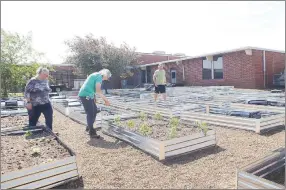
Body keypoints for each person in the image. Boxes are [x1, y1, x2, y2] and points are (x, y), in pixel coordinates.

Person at [78, 69, 111, 138]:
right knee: (91, 113)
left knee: (94, 110)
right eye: (107, 77)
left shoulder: (95, 74)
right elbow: (98, 91)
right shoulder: (99, 77)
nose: (107, 79)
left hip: (86, 95)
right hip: (86, 95)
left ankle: (88, 128)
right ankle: (92, 132)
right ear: (105, 75)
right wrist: (106, 101)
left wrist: (94, 98)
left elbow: (90, 86)